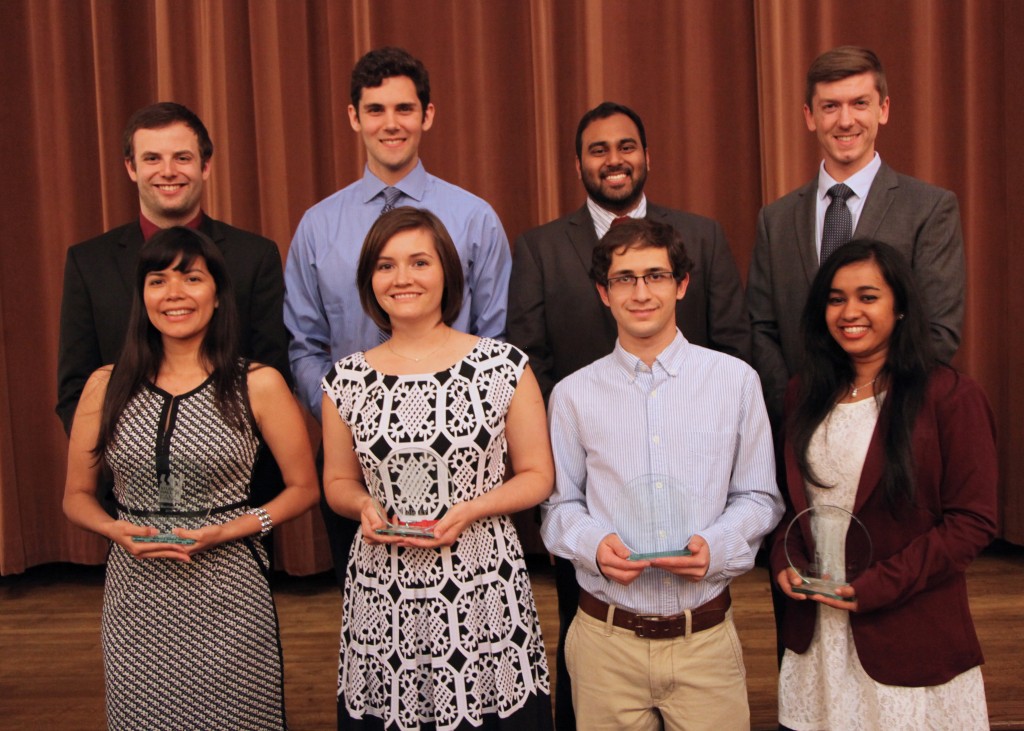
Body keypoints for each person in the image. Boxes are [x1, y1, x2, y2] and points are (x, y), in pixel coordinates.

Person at [508, 101, 750, 729]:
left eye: (626, 146)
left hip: (696, 515)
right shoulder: (539, 249)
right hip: (596, 493)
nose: (640, 292)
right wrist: (597, 420)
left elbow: (730, 341)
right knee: (587, 643)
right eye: (597, 148)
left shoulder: (701, 239)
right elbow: (529, 361)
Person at [63, 227, 319, 729]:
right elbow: (75, 496)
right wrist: (116, 530)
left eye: (192, 278)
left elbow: (304, 489)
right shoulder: (104, 385)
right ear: (142, 297)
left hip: (230, 592)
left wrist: (232, 528)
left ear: (218, 295)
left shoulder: (257, 383)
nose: (174, 293)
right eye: (158, 281)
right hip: (135, 595)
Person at [541, 218, 782, 731]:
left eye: (656, 275)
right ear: (604, 293)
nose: (642, 292)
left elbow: (760, 497)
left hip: (706, 642)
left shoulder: (736, 382)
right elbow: (559, 506)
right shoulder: (572, 395)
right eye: (625, 279)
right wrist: (593, 544)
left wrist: (717, 544)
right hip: (606, 645)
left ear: (682, 284)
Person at [286, 47, 512, 588]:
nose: (391, 124)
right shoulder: (317, 228)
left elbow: (496, 338)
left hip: (461, 458)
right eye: (376, 109)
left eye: (405, 109)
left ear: (427, 115)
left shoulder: (475, 219)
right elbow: (303, 345)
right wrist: (352, 425)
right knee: (371, 605)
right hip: (360, 461)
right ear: (354, 117)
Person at [320, 207, 552, 730]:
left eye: (419, 262)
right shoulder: (346, 379)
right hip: (384, 586)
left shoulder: (502, 365)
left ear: (447, 270)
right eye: (385, 265)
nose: (402, 278)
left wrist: (474, 508)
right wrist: (362, 504)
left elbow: (538, 475)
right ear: (369, 282)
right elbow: (336, 481)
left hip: (481, 579)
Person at [771, 240, 996, 731]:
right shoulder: (803, 391)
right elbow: (797, 506)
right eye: (835, 298)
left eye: (868, 296)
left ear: (900, 308)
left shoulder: (950, 395)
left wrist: (877, 586)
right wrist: (782, 561)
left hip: (909, 632)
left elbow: (972, 522)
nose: (849, 312)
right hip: (818, 636)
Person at [57, 101, 290, 514]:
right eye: (152, 158)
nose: (168, 171)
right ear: (131, 168)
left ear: (205, 166)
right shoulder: (88, 262)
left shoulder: (255, 257)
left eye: (182, 157)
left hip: (237, 503)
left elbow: (271, 371)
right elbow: (76, 386)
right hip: (132, 503)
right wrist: (134, 469)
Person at [747, 46, 965, 430]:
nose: (845, 121)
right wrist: (796, 407)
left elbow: (938, 330)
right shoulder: (775, 219)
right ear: (809, 117)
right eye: (830, 106)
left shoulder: (929, 208)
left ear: (883, 109)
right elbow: (762, 329)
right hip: (799, 431)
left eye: (859, 103)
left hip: (895, 430)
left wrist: (866, 408)